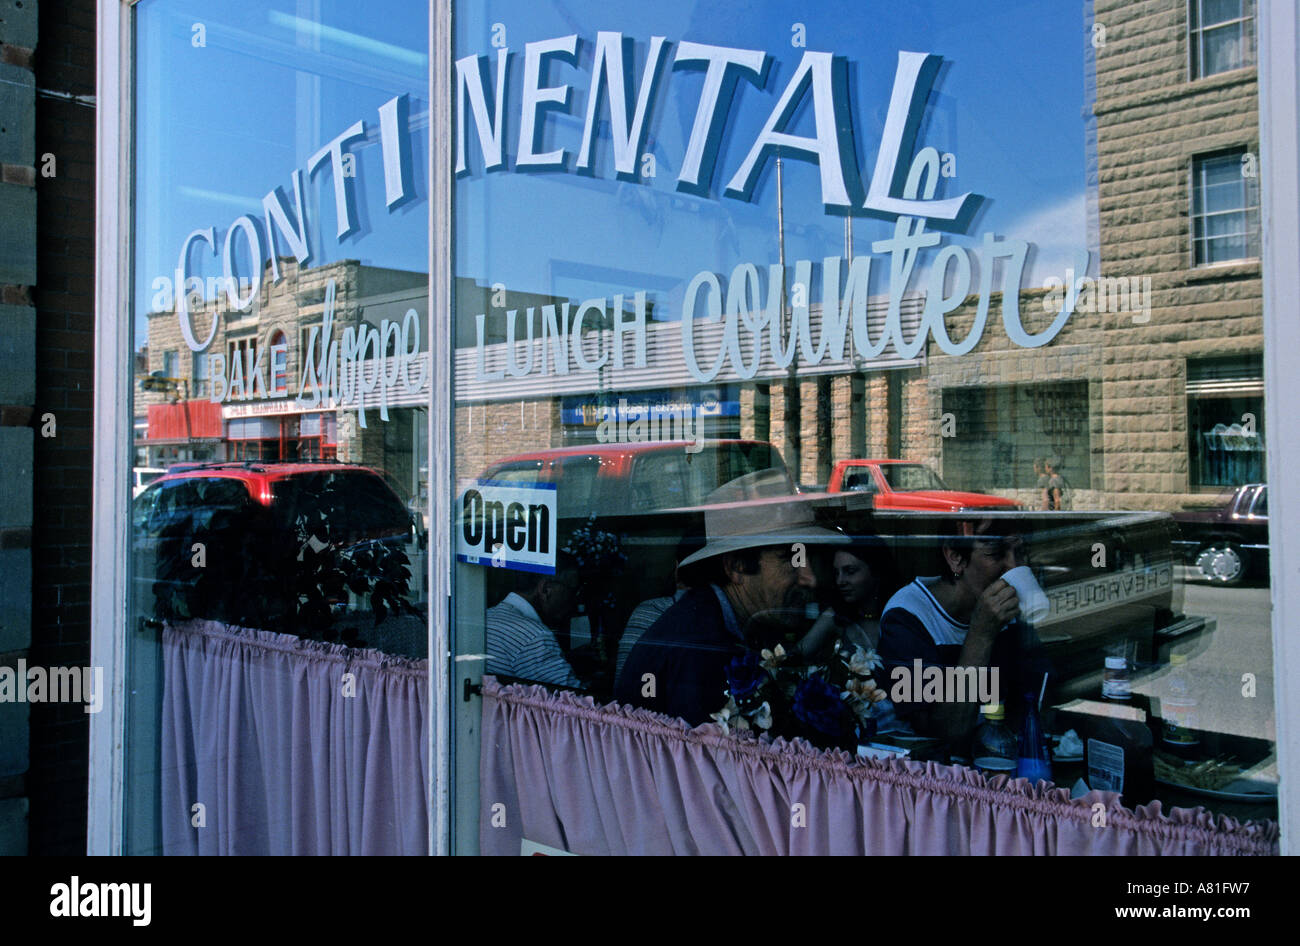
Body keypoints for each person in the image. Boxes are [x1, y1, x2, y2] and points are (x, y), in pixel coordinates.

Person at [614, 495, 849, 726]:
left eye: (809, 559)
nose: (810, 579)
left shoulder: (723, 621)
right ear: (736, 567)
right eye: (792, 559)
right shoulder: (702, 647)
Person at [877, 518, 1049, 744]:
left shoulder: (1011, 616)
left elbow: (1030, 701)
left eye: (1019, 552)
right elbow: (944, 732)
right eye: (996, 553)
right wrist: (981, 634)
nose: (1014, 566)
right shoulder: (907, 616)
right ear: (955, 557)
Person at [484, 552, 584, 689]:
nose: (576, 600)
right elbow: (574, 703)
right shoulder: (535, 637)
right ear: (546, 590)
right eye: (573, 591)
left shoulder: (486, 617)